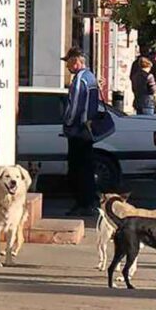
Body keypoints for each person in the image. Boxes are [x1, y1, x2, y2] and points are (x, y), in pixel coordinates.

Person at [61, 46, 100, 216]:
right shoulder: (91, 77)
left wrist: (67, 123)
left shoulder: (80, 80)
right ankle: (90, 201)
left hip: (79, 131)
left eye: (68, 62)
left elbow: (75, 106)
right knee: (87, 167)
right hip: (88, 130)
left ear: (76, 61)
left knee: (77, 168)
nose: (67, 67)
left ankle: (83, 202)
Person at [129, 45, 153, 114]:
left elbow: (131, 77)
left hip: (138, 98)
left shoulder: (135, 63)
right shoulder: (150, 64)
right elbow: (153, 89)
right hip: (148, 100)